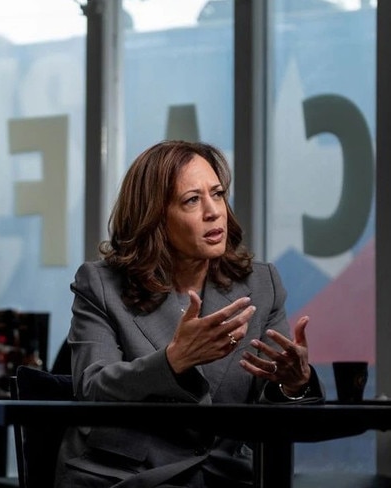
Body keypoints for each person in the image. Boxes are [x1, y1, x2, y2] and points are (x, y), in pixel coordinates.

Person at [53, 140, 325, 488]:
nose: (214, 212)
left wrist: (293, 384)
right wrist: (171, 361)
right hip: (128, 477)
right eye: (192, 200)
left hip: (226, 478)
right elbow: (93, 389)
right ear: (154, 217)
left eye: (218, 194)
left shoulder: (262, 283)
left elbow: (272, 412)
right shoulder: (101, 284)